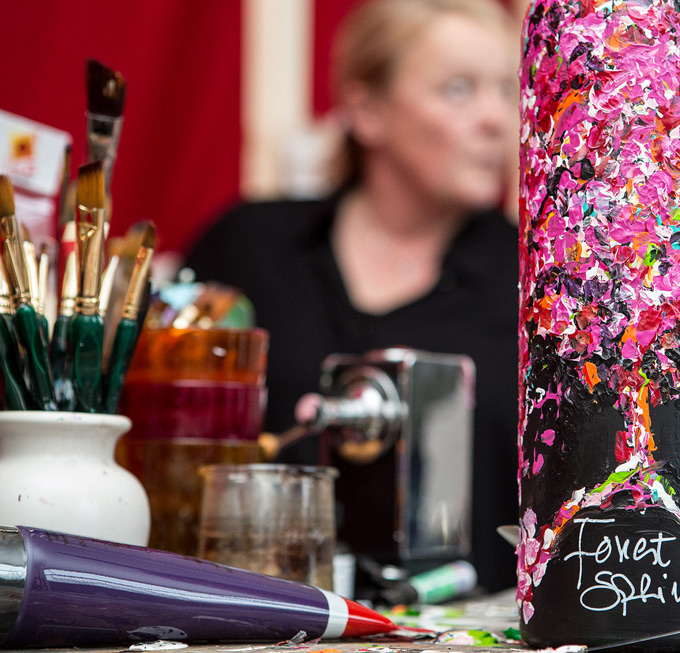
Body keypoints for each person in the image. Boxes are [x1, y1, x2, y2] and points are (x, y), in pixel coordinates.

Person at [184, 0, 520, 593]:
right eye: (460, 89)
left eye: (508, 90)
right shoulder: (247, 249)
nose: (498, 119)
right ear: (367, 110)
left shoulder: (541, 281)